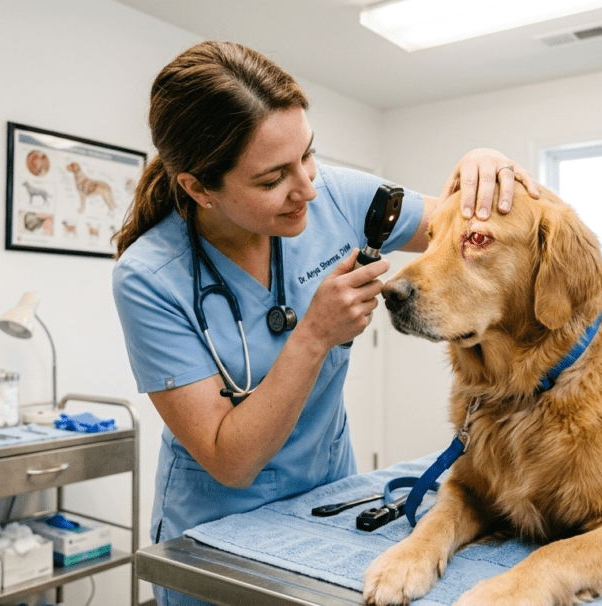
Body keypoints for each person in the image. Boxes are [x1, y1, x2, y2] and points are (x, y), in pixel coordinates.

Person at [111, 40, 539, 605]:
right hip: (217, 529)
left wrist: (489, 168)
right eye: (272, 180)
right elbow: (230, 460)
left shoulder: (336, 196)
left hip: (331, 500)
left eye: (307, 155)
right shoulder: (149, 277)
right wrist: (313, 336)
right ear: (198, 187)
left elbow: (513, 231)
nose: (308, 188)